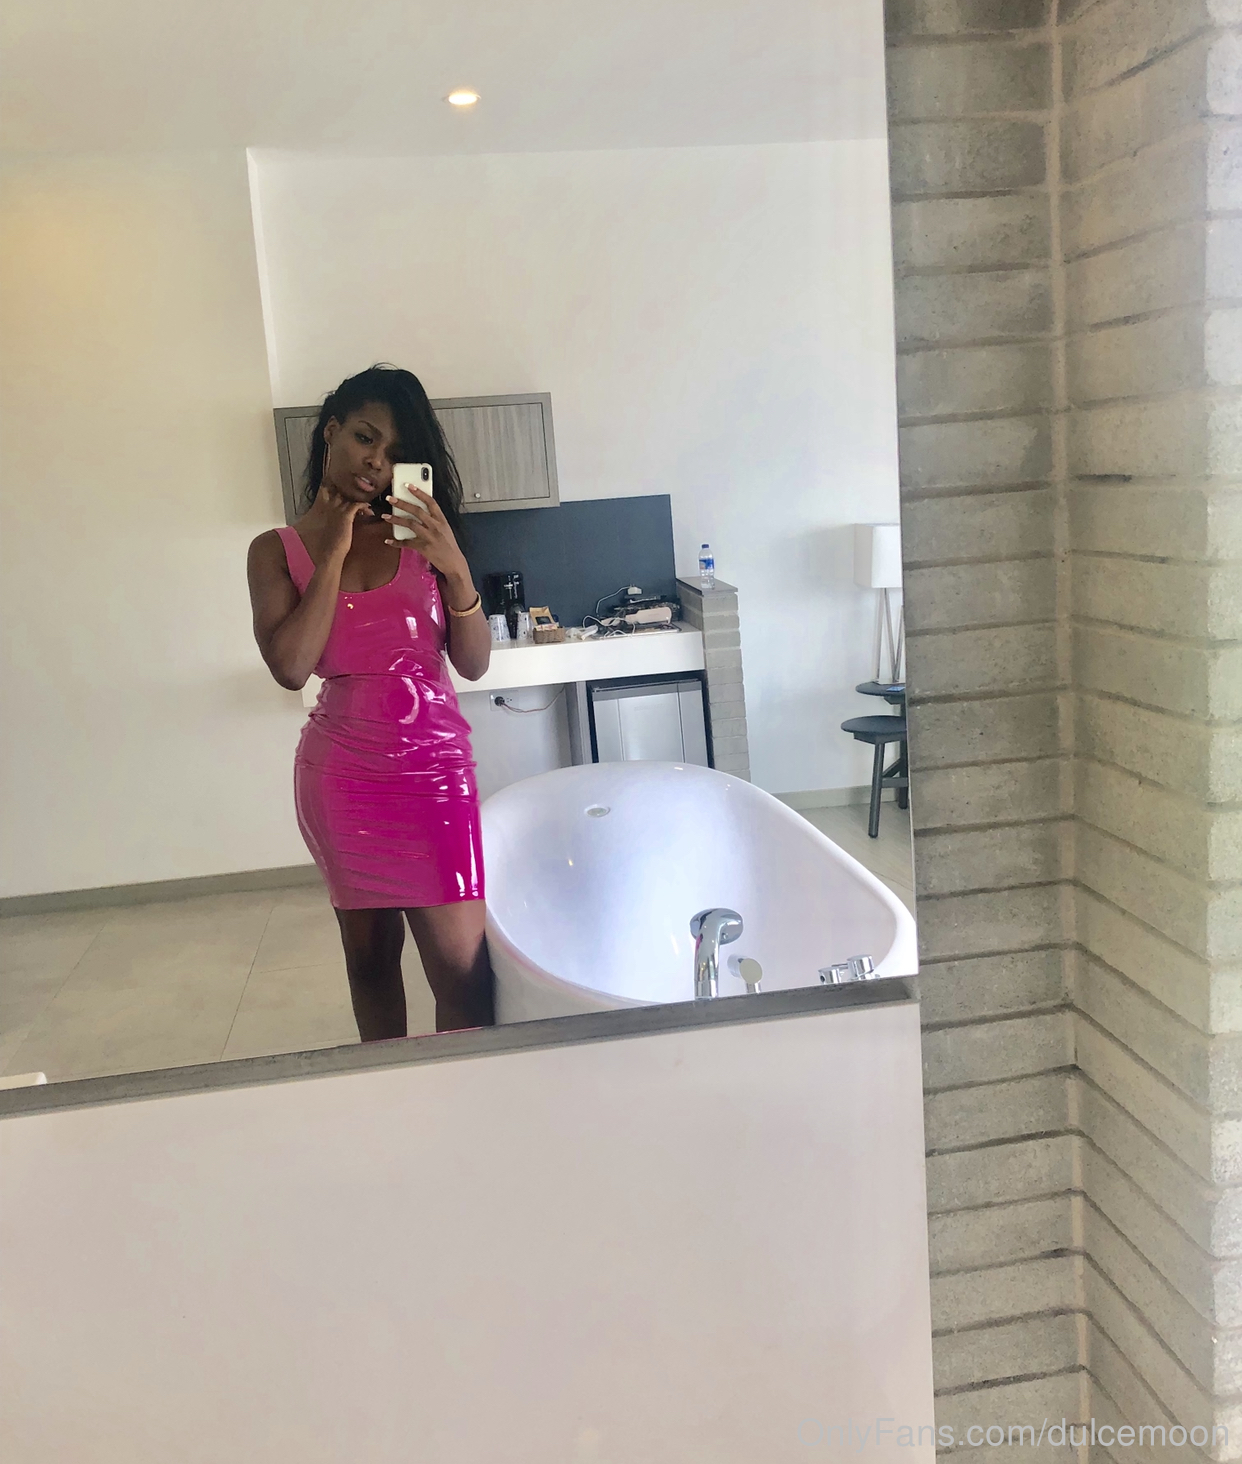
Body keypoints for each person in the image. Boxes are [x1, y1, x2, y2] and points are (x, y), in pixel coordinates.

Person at [247, 365, 494, 1039]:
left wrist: (456, 567)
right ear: (331, 431)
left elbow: (473, 663)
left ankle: (465, 1093)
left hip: (437, 774)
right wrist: (331, 552)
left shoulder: (420, 537)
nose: (375, 461)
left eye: (393, 452)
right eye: (364, 437)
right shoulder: (276, 551)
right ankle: (390, 1093)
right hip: (343, 777)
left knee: (466, 977)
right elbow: (291, 666)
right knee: (371, 966)